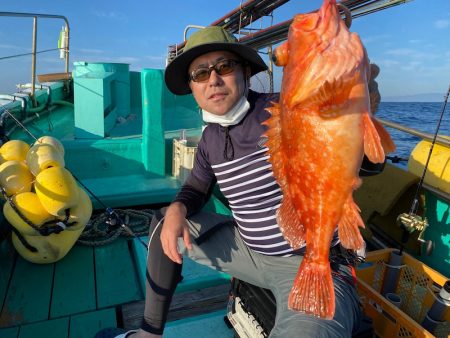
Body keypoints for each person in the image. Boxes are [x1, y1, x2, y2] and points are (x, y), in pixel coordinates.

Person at [98, 25, 381, 338]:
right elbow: (196, 188)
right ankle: (149, 332)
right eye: (200, 74)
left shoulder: (286, 112)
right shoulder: (209, 140)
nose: (214, 80)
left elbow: (351, 159)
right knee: (167, 222)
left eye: (224, 66)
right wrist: (178, 207)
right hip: (248, 252)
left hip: (314, 264)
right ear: (192, 88)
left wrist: (355, 112)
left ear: (246, 72)